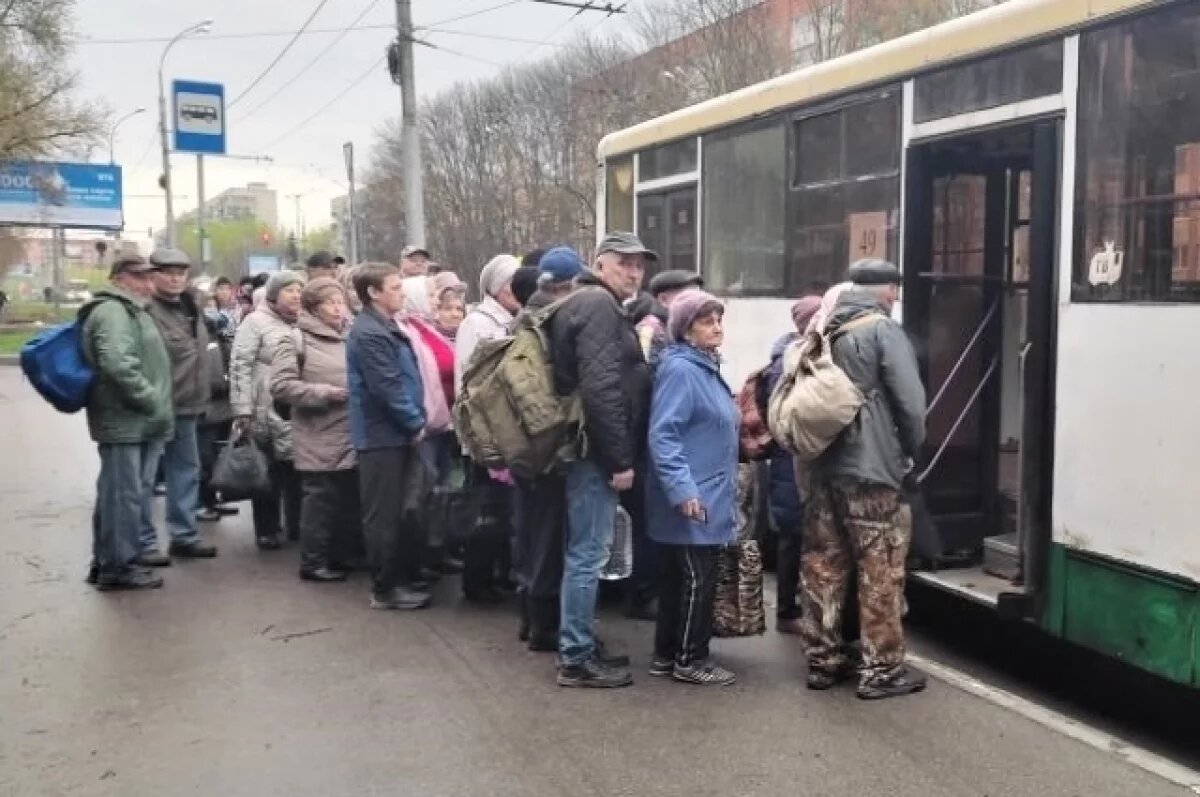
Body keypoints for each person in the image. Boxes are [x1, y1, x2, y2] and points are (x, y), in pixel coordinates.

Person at [799, 259, 928, 700]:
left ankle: (823, 660)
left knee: (824, 564)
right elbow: (910, 404)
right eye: (894, 289)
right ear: (884, 289)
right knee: (881, 569)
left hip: (823, 468)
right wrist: (912, 451)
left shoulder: (824, 326)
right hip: (871, 471)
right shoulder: (882, 330)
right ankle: (882, 670)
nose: (895, 297)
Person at [548, 231, 654, 688]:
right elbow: (601, 389)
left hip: (590, 447)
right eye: (624, 263)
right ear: (600, 263)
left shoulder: (592, 302)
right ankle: (575, 658)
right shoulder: (597, 305)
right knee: (587, 553)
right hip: (593, 451)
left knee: (585, 550)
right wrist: (619, 459)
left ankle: (581, 643)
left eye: (639, 265)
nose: (634, 272)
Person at [645, 289, 739, 686]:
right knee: (698, 580)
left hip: (705, 490)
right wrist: (684, 492)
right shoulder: (683, 370)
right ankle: (691, 659)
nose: (717, 327)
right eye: (706, 321)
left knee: (678, 579)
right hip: (695, 495)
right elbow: (664, 434)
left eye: (718, 319)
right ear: (685, 330)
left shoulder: (702, 366)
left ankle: (667, 655)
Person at [81, 254, 173, 590]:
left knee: (118, 494)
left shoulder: (129, 310)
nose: (150, 284)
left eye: (150, 277)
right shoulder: (113, 311)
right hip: (126, 419)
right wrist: (151, 399)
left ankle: (108, 562)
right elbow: (118, 363)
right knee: (123, 496)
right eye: (142, 278)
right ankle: (118, 567)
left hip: (134, 420)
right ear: (121, 278)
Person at [511, 246, 584, 650]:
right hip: (548, 445)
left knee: (531, 532)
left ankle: (529, 617)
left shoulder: (526, 317)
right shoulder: (550, 322)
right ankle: (544, 627)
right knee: (549, 537)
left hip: (525, 445)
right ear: (568, 285)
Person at [346, 263, 430, 610]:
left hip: (392, 433)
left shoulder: (383, 326)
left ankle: (402, 576)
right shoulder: (370, 333)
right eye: (395, 287)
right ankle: (386, 588)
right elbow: (387, 388)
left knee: (401, 510)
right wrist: (414, 422)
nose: (402, 292)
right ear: (373, 293)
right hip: (382, 436)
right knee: (383, 515)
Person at [269, 277, 359, 582]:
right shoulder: (295, 339)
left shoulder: (348, 335)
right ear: (312, 308)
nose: (338, 308)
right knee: (320, 498)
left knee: (346, 498)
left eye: (340, 301)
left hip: (350, 429)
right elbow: (280, 386)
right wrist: (325, 393)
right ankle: (313, 561)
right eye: (330, 303)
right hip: (318, 431)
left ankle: (340, 555)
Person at [454, 254, 522, 603]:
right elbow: (472, 385)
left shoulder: (510, 320)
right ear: (495, 288)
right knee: (488, 510)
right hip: (486, 434)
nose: (516, 290)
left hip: (506, 433)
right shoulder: (477, 324)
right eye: (510, 283)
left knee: (504, 510)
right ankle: (476, 581)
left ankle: (498, 574)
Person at [143, 248, 217, 560]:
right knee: (144, 478)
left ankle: (184, 535)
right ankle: (144, 542)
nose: (175, 279)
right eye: (168, 272)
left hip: (188, 403)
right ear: (153, 275)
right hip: (156, 406)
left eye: (181, 273)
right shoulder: (145, 309)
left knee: (186, 470)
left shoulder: (189, 305)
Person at [230, 270, 305, 550]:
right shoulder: (255, 322)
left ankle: (297, 525)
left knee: (296, 469)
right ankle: (267, 528)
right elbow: (240, 365)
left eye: (299, 290)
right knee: (267, 471)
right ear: (274, 294)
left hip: (295, 404)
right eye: (289, 290)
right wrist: (242, 408)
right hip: (264, 405)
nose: (296, 295)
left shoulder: (302, 322)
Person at [768, 295, 823, 634]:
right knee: (793, 536)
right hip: (790, 459)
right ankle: (787, 611)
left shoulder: (790, 355)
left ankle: (794, 606)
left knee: (797, 536)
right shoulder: (788, 362)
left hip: (790, 458)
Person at [635, 270, 704, 363]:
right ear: (663, 300)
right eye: (687, 297)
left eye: (698, 297)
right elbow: (642, 372)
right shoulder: (649, 330)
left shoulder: (687, 326)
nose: (696, 302)